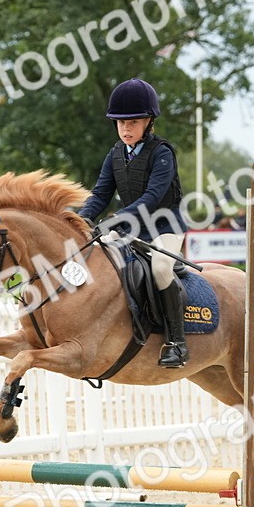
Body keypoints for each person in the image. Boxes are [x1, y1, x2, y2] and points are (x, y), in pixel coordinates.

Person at [78, 77, 189, 368]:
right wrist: (80, 218)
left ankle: (177, 343)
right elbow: (100, 194)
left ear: (149, 122)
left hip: (165, 227)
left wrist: (118, 219)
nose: (126, 129)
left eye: (133, 122)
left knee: (160, 268)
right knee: (98, 260)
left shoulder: (162, 153)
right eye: (120, 123)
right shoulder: (115, 154)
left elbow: (153, 197)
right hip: (131, 228)